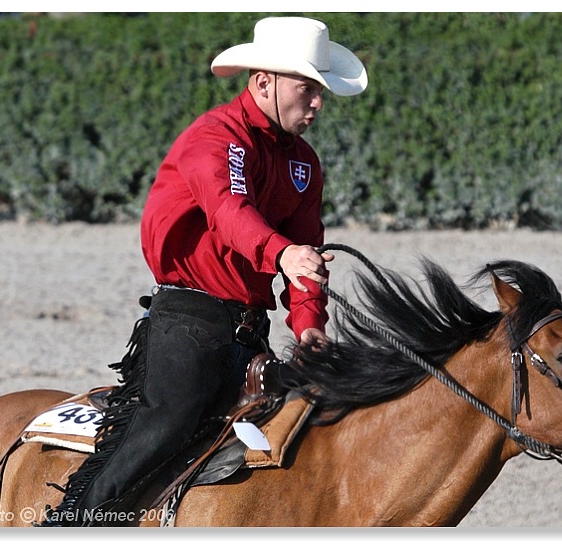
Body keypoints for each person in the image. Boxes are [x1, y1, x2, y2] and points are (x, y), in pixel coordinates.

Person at [40, 16, 367, 526]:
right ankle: (71, 527)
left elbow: (308, 255)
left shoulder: (304, 163)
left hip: (249, 332)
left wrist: (309, 330)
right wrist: (282, 255)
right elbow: (230, 212)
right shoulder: (216, 138)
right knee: (167, 423)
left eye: (320, 91)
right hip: (189, 323)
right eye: (307, 89)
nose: (318, 104)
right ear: (263, 82)